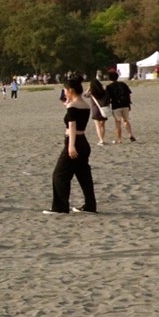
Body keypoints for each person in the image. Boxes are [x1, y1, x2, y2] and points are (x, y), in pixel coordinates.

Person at [45, 76, 96, 215]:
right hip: (84, 142)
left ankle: (60, 207)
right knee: (84, 175)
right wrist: (67, 105)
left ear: (71, 90)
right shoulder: (85, 105)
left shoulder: (73, 107)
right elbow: (75, 116)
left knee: (59, 175)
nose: (64, 92)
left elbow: (72, 125)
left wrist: (71, 146)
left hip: (74, 141)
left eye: (65, 89)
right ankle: (90, 205)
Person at [105, 76, 136, 143]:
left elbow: (108, 97)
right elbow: (128, 94)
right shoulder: (123, 84)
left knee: (118, 122)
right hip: (125, 104)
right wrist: (129, 104)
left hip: (116, 106)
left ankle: (119, 139)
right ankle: (130, 134)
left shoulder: (109, 87)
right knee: (126, 120)